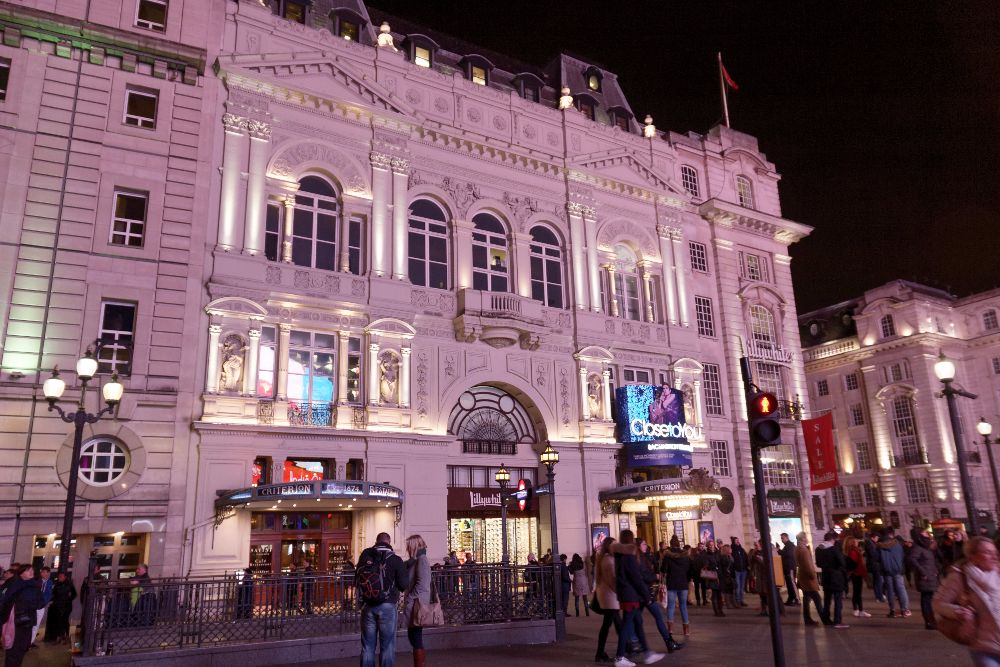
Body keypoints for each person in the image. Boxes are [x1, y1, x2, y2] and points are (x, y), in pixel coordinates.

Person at [934, 536, 1000, 665]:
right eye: (987, 552)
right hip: (984, 646)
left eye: (995, 552)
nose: (994, 556)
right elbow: (938, 604)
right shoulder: (959, 577)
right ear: (972, 557)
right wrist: (958, 612)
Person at [357, 532, 409, 667]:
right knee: (387, 646)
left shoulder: (365, 556)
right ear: (389, 542)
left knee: (367, 646)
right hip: (388, 606)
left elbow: (358, 578)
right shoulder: (395, 559)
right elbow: (403, 585)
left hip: (368, 605)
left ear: (376, 541)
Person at [613, 531, 664, 667]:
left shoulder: (619, 555)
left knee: (638, 623)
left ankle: (647, 653)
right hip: (631, 595)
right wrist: (646, 596)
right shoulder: (629, 556)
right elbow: (636, 578)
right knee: (627, 625)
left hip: (626, 594)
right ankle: (620, 657)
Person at [635, 538, 683, 654]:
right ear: (638, 546)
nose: (646, 546)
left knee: (638, 620)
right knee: (650, 618)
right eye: (644, 544)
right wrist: (654, 577)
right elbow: (642, 576)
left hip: (643, 593)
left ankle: (668, 642)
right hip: (644, 593)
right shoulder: (638, 559)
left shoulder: (644, 557)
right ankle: (668, 643)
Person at [0, 564, 45, 667]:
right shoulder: (14, 585)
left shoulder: (35, 586)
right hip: (15, 623)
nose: (31, 572)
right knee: (13, 650)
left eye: (32, 570)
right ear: (21, 573)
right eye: (28, 570)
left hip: (28, 622)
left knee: (22, 649)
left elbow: (41, 603)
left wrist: (30, 604)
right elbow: (6, 601)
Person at [403, 535, 431, 667]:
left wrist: (410, 597)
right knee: (413, 636)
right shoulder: (416, 561)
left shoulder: (422, 560)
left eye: (409, 546)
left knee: (416, 636)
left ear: (414, 546)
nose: (407, 548)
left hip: (417, 604)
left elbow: (422, 584)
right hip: (415, 602)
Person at [907, 527, 941, 630]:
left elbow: (930, 560)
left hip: (930, 575)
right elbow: (912, 559)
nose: (927, 533)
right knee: (926, 599)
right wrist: (923, 572)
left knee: (929, 599)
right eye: (924, 532)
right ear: (919, 535)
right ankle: (929, 622)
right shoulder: (918, 547)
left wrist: (935, 570)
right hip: (925, 577)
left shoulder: (925, 546)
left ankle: (931, 620)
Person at [816, 531, 849, 628]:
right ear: (832, 540)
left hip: (825, 577)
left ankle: (826, 619)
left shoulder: (818, 549)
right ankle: (837, 621)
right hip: (836, 577)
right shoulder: (834, 549)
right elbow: (842, 563)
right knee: (838, 600)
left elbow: (818, 564)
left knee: (827, 600)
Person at [661, 536, 691, 637]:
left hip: (672, 583)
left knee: (671, 606)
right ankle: (686, 630)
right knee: (683, 606)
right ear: (679, 544)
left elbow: (663, 570)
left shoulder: (667, 556)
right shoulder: (685, 555)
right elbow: (688, 569)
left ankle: (670, 629)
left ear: (670, 544)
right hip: (683, 583)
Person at [877, 528, 911, 618]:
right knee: (901, 589)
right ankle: (904, 609)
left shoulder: (879, 546)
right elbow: (902, 556)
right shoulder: (897, 544)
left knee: (890, 591)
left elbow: (877, 558)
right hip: (898, 569)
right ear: (890, 534)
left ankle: (892, 610)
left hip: (886, 570)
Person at [795, 532, 827, 626]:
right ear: (803, 539)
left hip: (803, 577)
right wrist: (813, 576)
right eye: (806, 537)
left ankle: (807, 619)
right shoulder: (803, 550)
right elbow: (807, 565)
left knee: (806, 598)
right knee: (817, 598)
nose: (807, 539)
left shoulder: (797, 549)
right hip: (808, 578)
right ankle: (824, 619)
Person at [842, 535, 870, 618]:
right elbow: (854, 563)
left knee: (856, 592)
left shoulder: (851, 551)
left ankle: (857, 609)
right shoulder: (854, 551)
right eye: (856, 541)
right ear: (852, 543)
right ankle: (859, 610)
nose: (857, 542)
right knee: (857, 592)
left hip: (855, 573)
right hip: (857, 573)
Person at [46, 570, 76, 644]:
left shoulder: (69, 585)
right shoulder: (56, 584)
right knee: (58, 621)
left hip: (66, 605)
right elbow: (53, 594)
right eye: (59, 576)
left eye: (61, 577)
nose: (59, 578)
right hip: (58, 605)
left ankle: (66, 635)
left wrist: (69, 599)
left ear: (65, 577)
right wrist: (53, 601)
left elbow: (74, 594)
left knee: (65, 620)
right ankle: (59, 636)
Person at [701, 540, 725, 617]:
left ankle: (721, 610)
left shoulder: (718, 553)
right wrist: (711, 566)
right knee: (714, 594)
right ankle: (716, 611)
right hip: (712, 576)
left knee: (720, 595)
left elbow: (721, 562)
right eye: (710, 545)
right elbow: (706, 565)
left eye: (712, 545)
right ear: (707, 546)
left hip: (719, 575)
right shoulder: (706, 555)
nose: (711, 546)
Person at [30, 566, 53, 646]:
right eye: (44, 572)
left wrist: (43, 603)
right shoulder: (36, 581)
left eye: (47, 572)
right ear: (41, 573)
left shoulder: (50, 583)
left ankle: (31, 641)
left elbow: (48, 595)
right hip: (32, 605)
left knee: (36, 624)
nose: (46, 574)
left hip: (41, 606)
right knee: (30, 623)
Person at [778, 533, 799, 605]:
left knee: (792, 583)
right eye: (781, 538)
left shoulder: (790, 545)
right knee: (789, 585)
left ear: (787, 537)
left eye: (783, 538)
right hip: (787, 568)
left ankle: (796, 599)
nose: (782, 540)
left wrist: (779, 551)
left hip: (790, 567)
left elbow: (788, 554)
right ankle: (791, 599)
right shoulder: (787, 546)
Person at [730, 537, 749, 607]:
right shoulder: (732, 550)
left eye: (738, 540)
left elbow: (746, 558)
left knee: (742, 587)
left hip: (743, 570)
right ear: (733, 542)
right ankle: (737, 601)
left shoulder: (742, 549)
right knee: (737, 586)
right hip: (736, 571)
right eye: (736, 540)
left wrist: (747, 567)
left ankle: (741, 600)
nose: (737, 541)